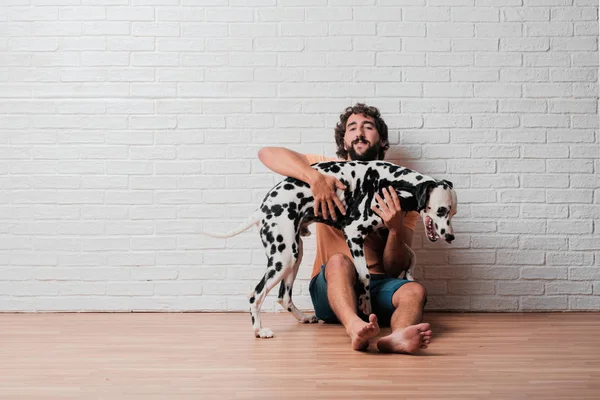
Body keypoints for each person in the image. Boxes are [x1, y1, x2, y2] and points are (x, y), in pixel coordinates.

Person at [258, 103, 432, 353]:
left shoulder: (401, 191)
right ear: (344, 140)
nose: (359, 132)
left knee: (415, 290)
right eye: (352, 127)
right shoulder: (328, 169)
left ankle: (397, 337)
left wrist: (394, 229)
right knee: (340, 261)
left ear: (382, 141)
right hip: (332, 289)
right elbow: (268, 153)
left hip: (379, 288)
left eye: (368, 127)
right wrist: (315, 179)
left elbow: (395, 268)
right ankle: (354, 327)